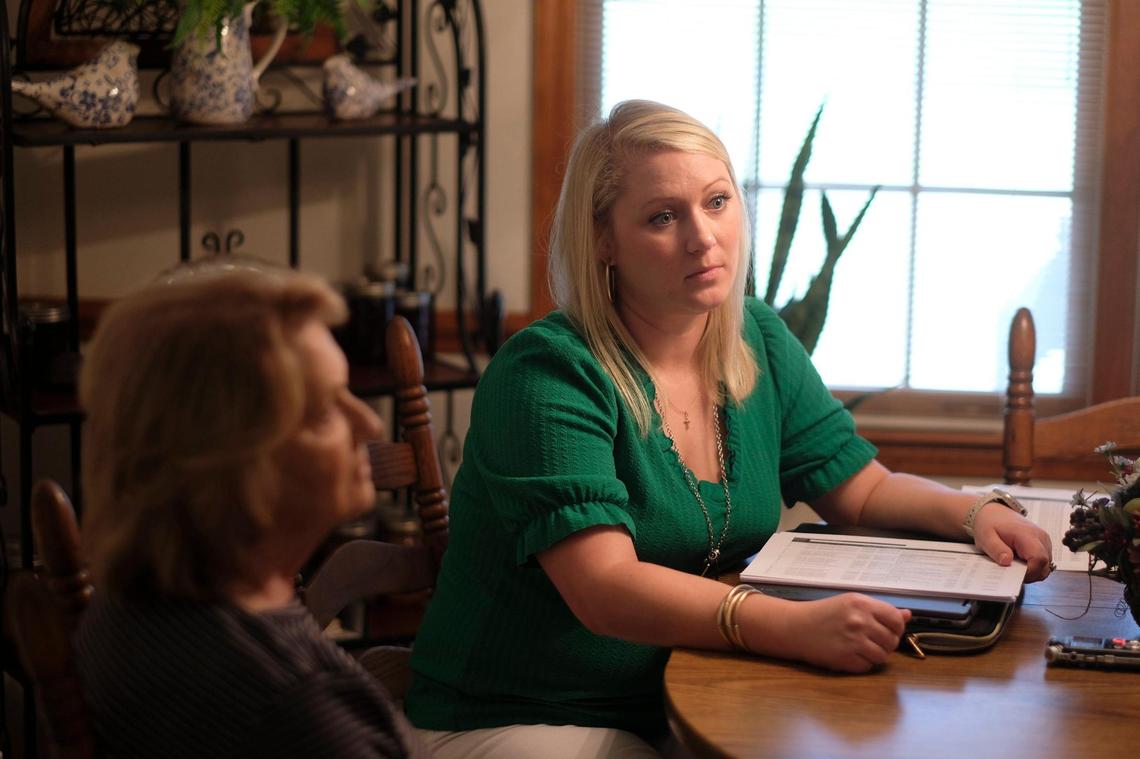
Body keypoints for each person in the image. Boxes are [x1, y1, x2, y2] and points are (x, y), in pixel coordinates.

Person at [403, 100, 1054, 758]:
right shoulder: (546, 374)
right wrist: (793, 626)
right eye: (663, 216)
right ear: (603, 239)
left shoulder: (756, 338)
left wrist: (974, 512)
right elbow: (605, 589)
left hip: (681, 693)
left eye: (717, 201)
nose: (701, 236)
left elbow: (859, 490)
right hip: (517, 715)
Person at [74, 264, 428, 758]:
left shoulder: (126, 603)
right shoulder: (299, 712)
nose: (368, 423)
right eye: (325, 411)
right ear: (232, 457)